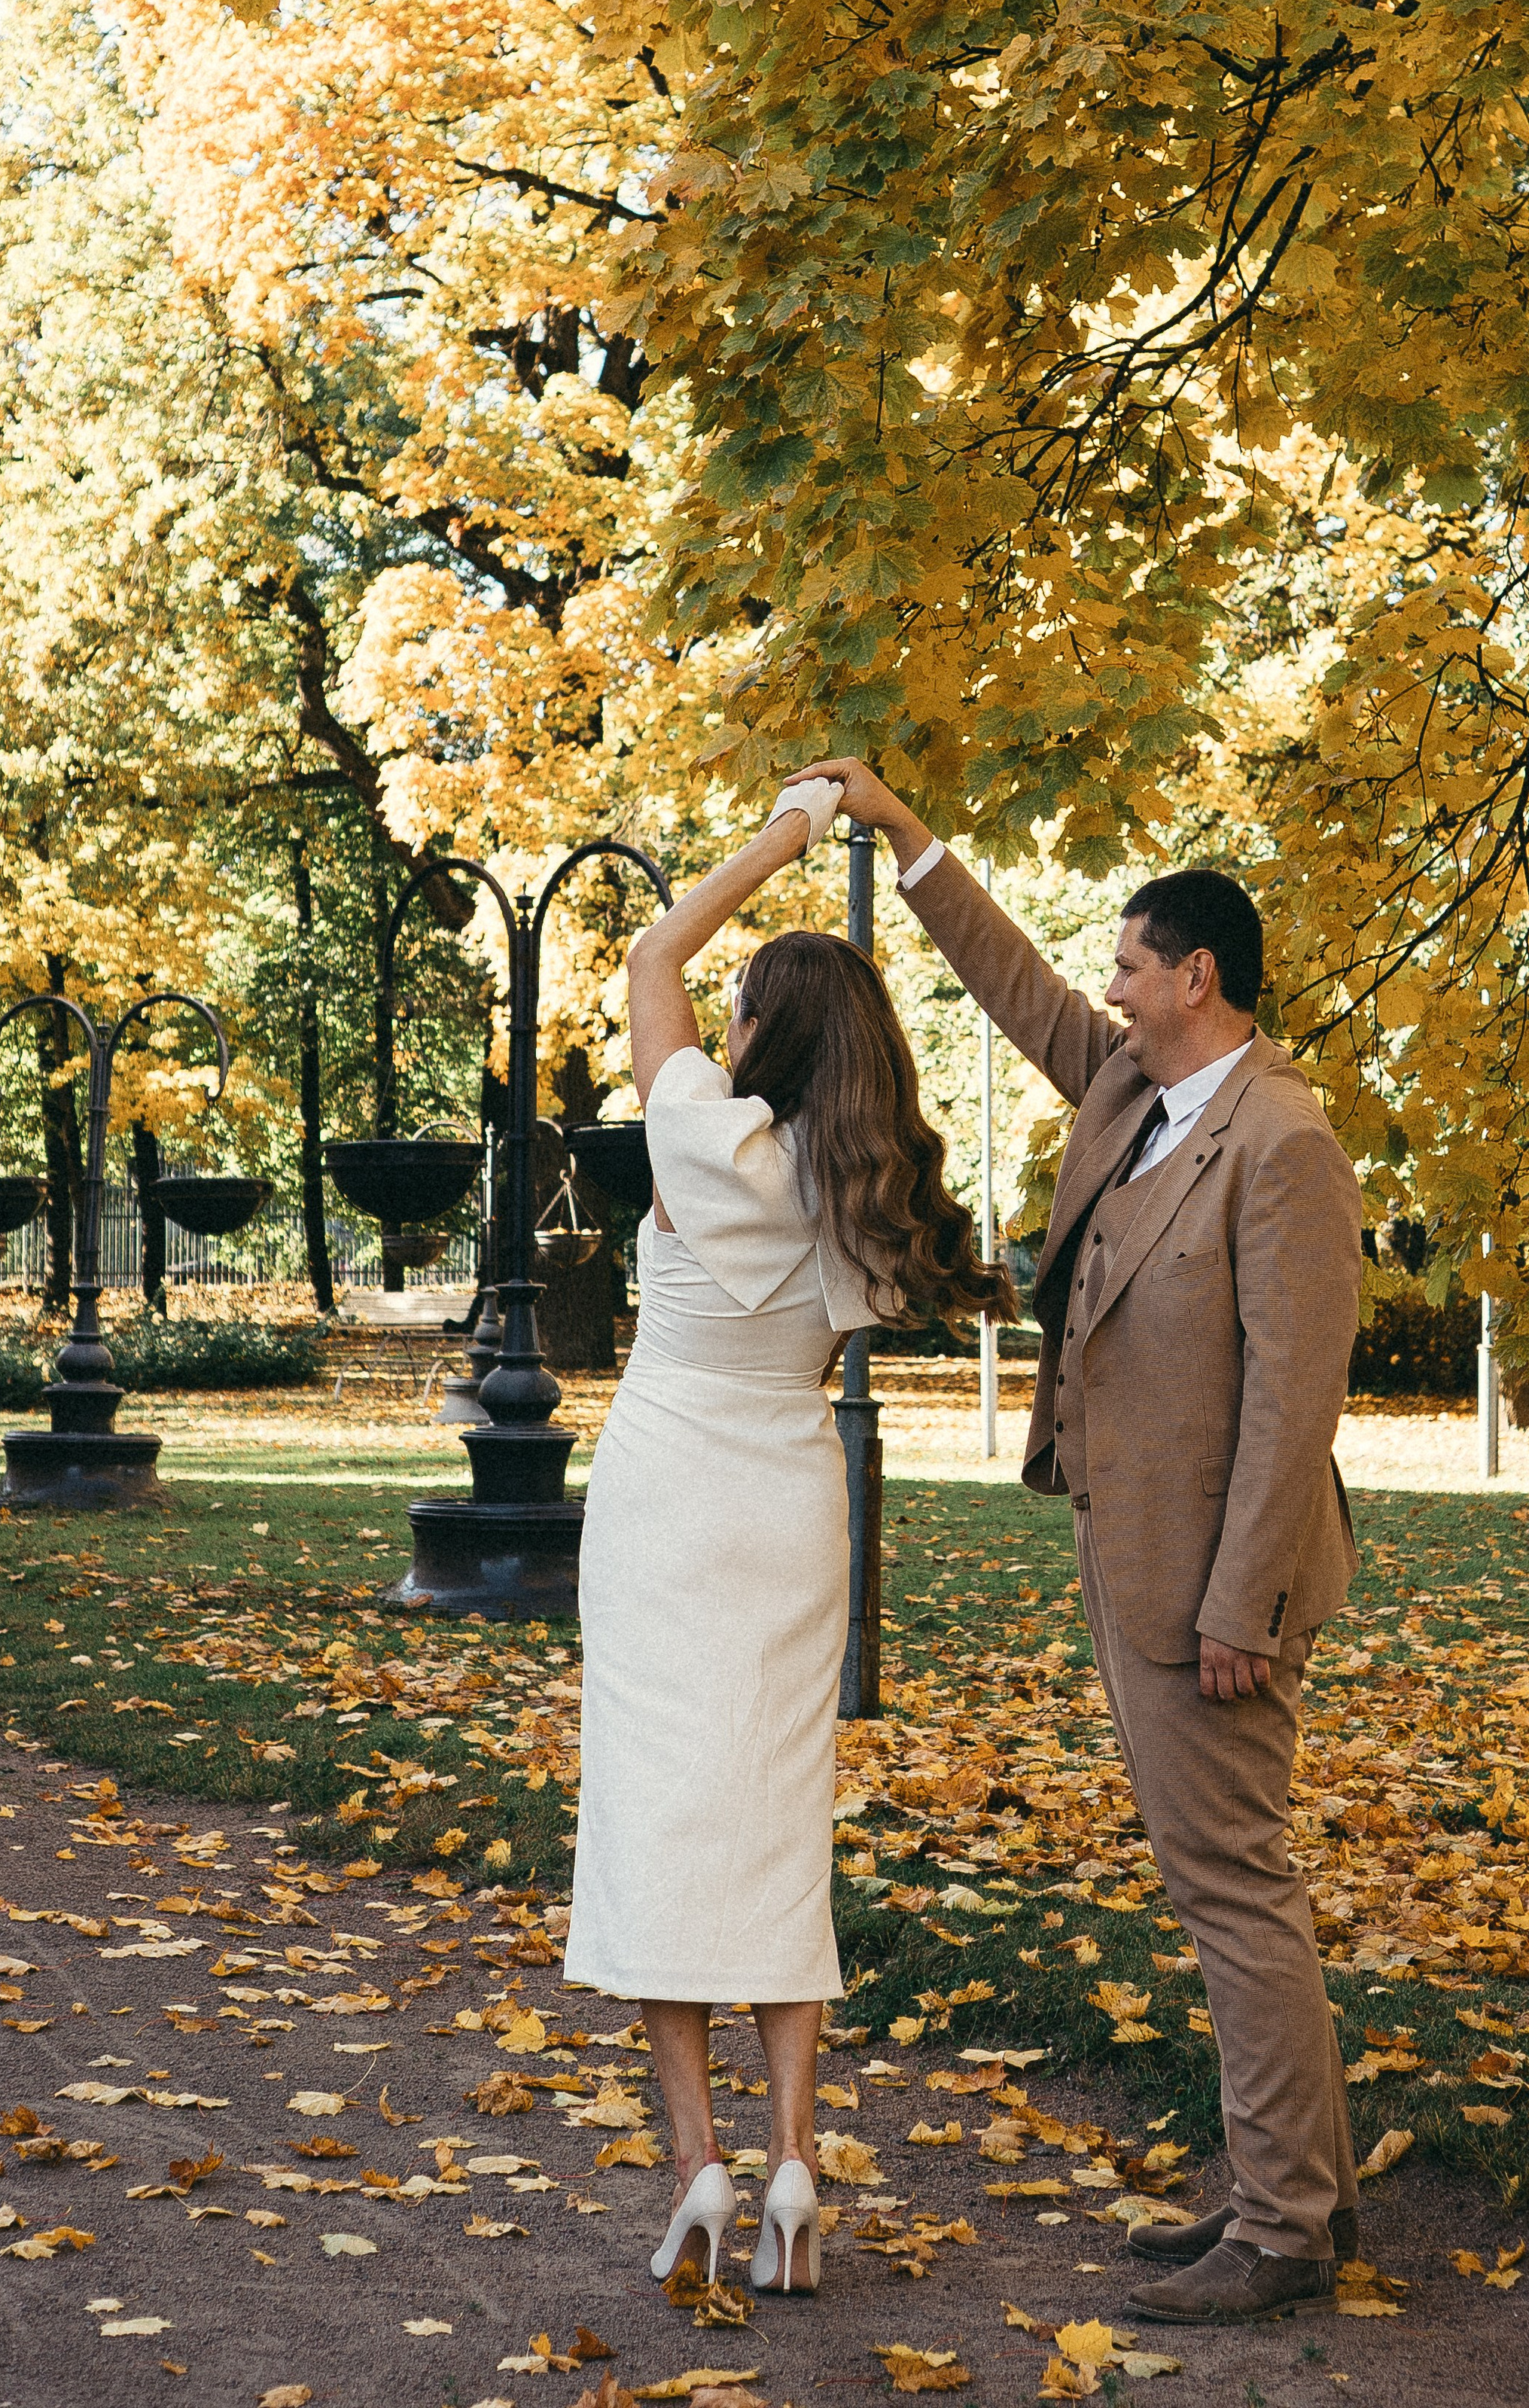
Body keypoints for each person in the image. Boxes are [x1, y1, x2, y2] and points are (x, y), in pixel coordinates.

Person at [802, 757, 1364, 2329]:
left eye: (1128, 963)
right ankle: (1284, 2193)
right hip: (1131, 1556)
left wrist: (1239, 1598)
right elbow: (1009, 984)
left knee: (1231, 1883)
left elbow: (1290, 1409)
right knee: (1214, 1883)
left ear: (1196, 977)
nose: (1104, 989)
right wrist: (907, 838)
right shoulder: (1132, 1088)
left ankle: (1284, 2228)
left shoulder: (1282, 1143)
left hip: (1215, 1587)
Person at [564, 776, 1013, 2301]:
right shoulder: (863, 1201)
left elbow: (645, 963)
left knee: (652, 1819)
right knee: (773, 1824)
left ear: (762, 1033)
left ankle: (695, 2168)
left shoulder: (706, 1137)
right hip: (787, 1506)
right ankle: (796, 2162)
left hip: (662, 1499)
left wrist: (775, 839)